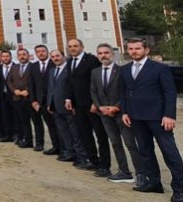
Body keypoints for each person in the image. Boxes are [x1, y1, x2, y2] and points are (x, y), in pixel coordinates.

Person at [121, 39, 183, 199]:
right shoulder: (125, 69)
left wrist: (169, 115)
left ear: (146, 50)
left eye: (137, 48)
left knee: (170, 153)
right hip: (136, 117)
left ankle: (180, 188)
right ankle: (154, 183)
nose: (134, 51)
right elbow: (124, 92)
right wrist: (125, 112)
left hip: (158, 118)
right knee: (145, 152)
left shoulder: (160, 68)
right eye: (131, 49)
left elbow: (170, 93)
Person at [90, 43, 142, 183]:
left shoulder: (122, 71)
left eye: (106, 53)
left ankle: (142, 173)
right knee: (115, 143)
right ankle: (124, 172)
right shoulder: (95, 72)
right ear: (97, 55)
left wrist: (117, 107)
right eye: (100, 53)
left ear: (112, 54)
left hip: (121, 113)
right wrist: (100, 107)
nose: (103, 55)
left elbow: (126, 92)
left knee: (130, 143)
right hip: (104, 114)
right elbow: (93, 91)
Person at [65, 39, 110, 172]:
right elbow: (70, 82)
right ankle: (93, 161)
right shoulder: (69, 62)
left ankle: (105, 165)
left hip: (92, 105)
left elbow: (97, 82)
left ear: (82, 47)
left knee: (100, 135)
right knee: (85, 134)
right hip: (78, 105)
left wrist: (95, 103)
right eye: (70, 46)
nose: (73, 48)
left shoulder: (92, 60)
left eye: (75, 46)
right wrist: (69, 99)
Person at [46, 49, 87, 164]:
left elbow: (73, 87)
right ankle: (70, 153)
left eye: (57, 56)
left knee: (75, 133)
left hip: (68, 106)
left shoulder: (70, 69)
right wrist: (49, 103)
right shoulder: (52, 70)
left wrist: (72, 102)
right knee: (64, 131)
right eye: (53, 57)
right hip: (56, 106)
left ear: (63, 56)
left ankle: (82, 156)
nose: (55, 58)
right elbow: (51, 88)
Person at [29, 45, 59, 154]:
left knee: (56, 125)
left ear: (47, 52)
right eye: (38, 52)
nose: (41, 53)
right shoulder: (34, 66)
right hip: (40, 101)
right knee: (48, 124)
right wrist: (33, 100)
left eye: (43, 51)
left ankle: (61, 147)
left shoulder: (54, 64)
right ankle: (54, 146)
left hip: (53, 101)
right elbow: (31, 84)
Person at [7, 48, 33, 148]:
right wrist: (14, 90)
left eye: (24, 54)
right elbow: (9, 81)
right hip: (17, 97)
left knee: (36, 121)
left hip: (29, 98)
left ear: (28, 55)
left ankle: (39, 143)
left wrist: (28, 90)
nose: (22, 56)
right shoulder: (14, 67)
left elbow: (37, 81)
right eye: (20, 55)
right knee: (23, 121)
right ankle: (27, 140)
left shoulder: (33, 67)